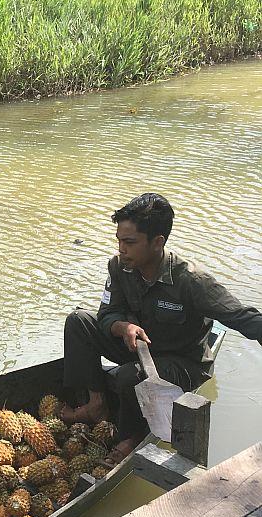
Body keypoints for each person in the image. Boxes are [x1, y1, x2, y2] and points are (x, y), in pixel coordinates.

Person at [61, 193, 262, 463]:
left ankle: (130, 438)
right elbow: (107, 313)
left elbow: (241, 316)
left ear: (158, 242)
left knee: (128, 377)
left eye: (129, 242)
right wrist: (123, 327)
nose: (121, 249)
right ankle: (95, 403)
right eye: (119, 240)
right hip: (137, 348)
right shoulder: (119, 267)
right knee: (78, 322)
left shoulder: (191, 281)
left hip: (182, 364)